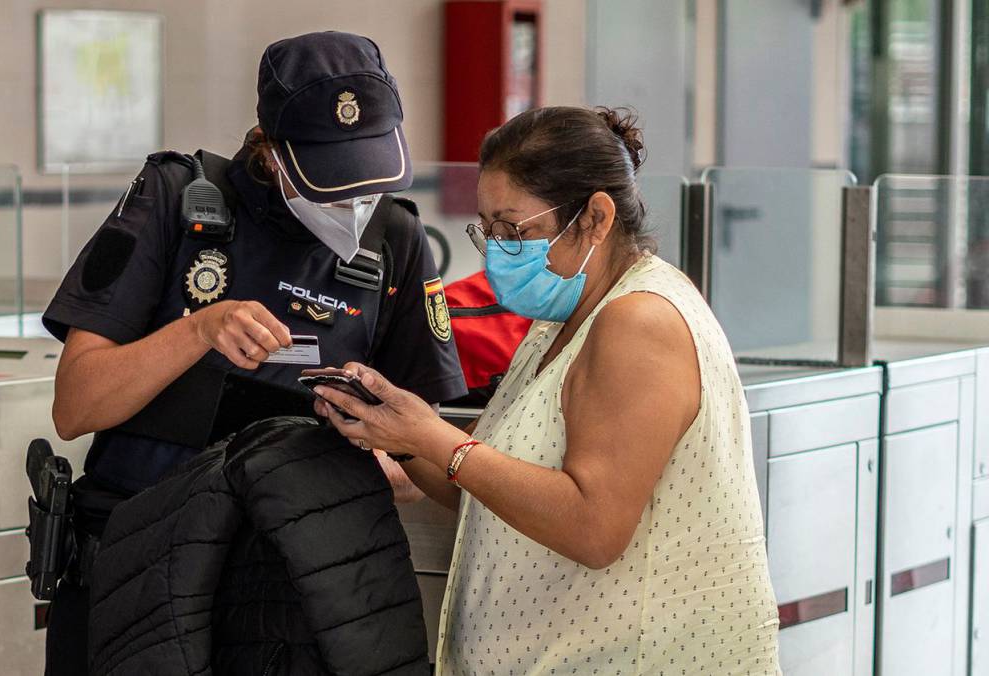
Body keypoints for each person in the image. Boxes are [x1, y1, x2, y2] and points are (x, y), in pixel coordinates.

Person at [40, 31, 466, 675]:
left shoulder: (396, 240)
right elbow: (75, 406)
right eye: (331, 179)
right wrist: (198, 331)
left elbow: (422, 452)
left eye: (368, 175)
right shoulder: (176, 199)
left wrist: (353, 460)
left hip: (290, 588)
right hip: (135, 568)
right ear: (270, 151)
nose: (353, 201)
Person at [313, 106, 781, 674]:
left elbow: (594, 528)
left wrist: (438, 441)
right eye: (487, 230)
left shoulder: (639, 322)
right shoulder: (559, 319)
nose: (497, 250)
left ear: (597, 218)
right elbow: (486, 488)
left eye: (515, 230)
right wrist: (402, 435)